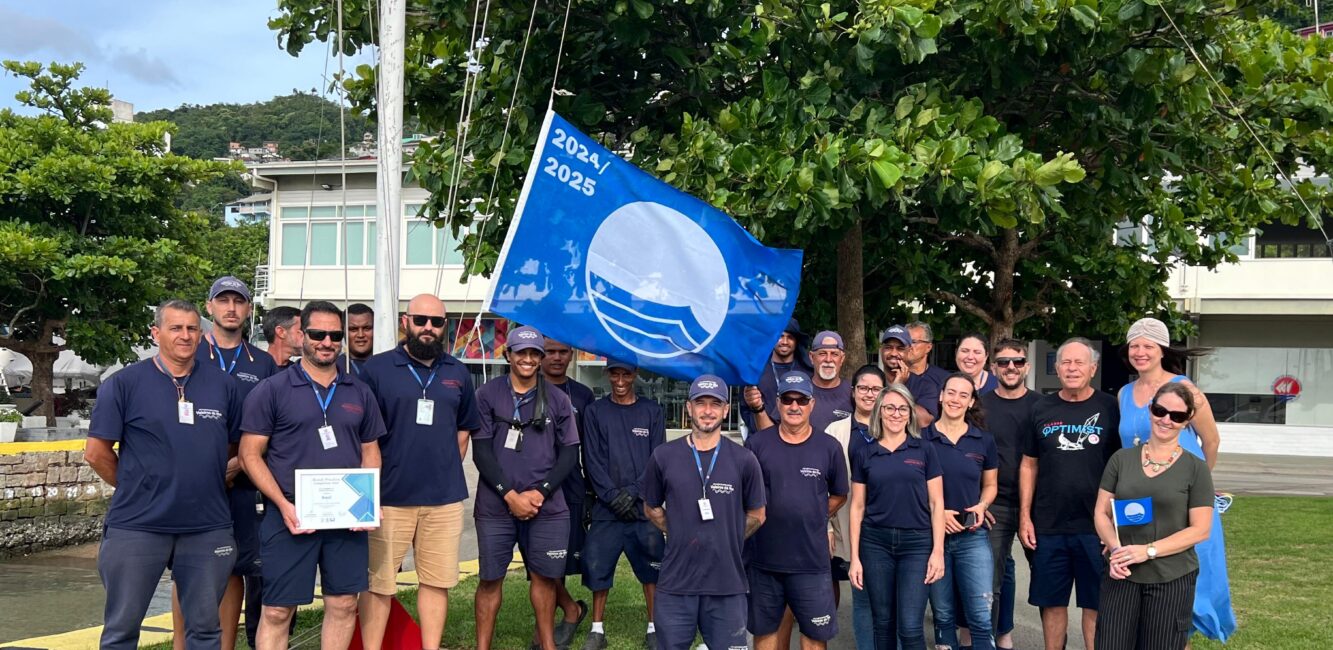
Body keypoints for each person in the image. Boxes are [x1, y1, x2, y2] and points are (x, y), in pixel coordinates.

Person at [87, 299, 243, 650]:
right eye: (175, 328)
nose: (185, 336)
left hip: (207, 526)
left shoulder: (224, 386)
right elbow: (96, 454)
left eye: (192, 328)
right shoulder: (124, 384)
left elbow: (232, 447)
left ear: (201, 336)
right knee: (121, 631)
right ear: (156, 333)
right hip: (137, 525)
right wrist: (138, 487)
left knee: (205, 632)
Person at [239, 301, 386, 650]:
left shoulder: (359, 391)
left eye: (335, 335)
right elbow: (249, 454)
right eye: (318, 334)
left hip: (346, 518)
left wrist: (368, 500)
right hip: (290, 515)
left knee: (345, 603)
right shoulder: (272, 390)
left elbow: (371, 451)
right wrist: (281, 504)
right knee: (276, 610)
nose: (327, 342)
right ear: (301, 335)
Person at [357, 295, 481, 650]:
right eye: (421, 319)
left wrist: (441, 467)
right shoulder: (376, 370)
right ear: (405, 321)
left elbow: (463, 430)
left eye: (437, 322)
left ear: (445, 327)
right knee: (379, 584)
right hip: (389, 498)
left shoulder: (458, 372)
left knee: (436, 582)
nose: (429, 327)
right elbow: (364, 435)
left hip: (443, 500)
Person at [172, 277, 278, 650]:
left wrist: (236, 465)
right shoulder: (188, 352)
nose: (231, 308)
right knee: (186, 570)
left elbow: (271, 425)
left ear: (249, 310)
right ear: (210, 307)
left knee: (233, 566)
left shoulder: (263, 362)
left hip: (241, 481)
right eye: (224, 301)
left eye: (239, 301)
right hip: (191, 483)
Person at [1116, 317, 1234, 642]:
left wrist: (1197, 486)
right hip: (1140, 505)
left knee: (1185, 599)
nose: (1140, 351)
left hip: (1182, 505)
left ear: (1162, 349)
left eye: (1148, 345)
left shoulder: (1186, 389)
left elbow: (1211, 441)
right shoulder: (1124, 394)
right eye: (1134, 345)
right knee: (1145, 591)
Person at [471, 326, 582, 650]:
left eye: (535, 354)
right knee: (490, 578)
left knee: (545, 578)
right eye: (522, 352)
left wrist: (541, 492)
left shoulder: (558, 400)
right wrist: (509, 494)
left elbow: (569, 453)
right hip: (496, 505)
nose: (528, 359)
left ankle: (547, 645)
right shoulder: (487, 395)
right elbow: (481, 451)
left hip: (545, 506)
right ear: (508, 355)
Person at [642, 375, 767, 650]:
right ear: (689, 408)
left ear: (726, 410)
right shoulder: (663, 456)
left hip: (727, 585)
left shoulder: (744, 459)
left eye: (715, 404)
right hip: (676, 585)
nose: (707, 411)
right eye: (701, 403)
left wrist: (730, 536)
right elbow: (651, 508)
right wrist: (677, 530)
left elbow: (758, 514)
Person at [1094, 382, 1215, 650]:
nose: (1166, 420)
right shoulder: (1121, 460)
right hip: (1121, 574)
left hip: (1171, 577)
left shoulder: (1196, 469)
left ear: (1187, 421)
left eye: (1177, 416)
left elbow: (1200, 529)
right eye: (1160, 411)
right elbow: (1102, 513)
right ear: (1150, 410)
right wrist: (1116, 550)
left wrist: (1147, 551)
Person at [1019, 337, 1121, 650]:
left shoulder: (1109, 407)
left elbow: (1120, 466)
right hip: (1050, 524)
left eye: (1079, 362)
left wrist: (1114, 523)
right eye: (1066, 362)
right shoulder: (1041, 407)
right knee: (1051, 603)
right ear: (1056, 367)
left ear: (1093, 368)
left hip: (1096, 526)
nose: (1072, 368)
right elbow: (1028, 465)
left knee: (1095, 603)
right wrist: (1025, 515)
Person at [746, 371, 848, 650]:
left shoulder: (829, 447)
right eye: (788, 399)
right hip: (764, 560)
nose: (794, 406)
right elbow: (745, 496)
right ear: (777, 403)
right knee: (765, 632)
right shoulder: (757, 444)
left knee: (815, 636)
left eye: (801, 400)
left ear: (812, 404)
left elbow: (840, 494)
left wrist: (815, 513)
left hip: (811, 562)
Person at [848, 384, 946, 650]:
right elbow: (857, 507)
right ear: (880, 412)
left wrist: (938, 551)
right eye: (889, 407)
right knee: (883, 622)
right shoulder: (864, 452)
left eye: (902, 408)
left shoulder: (924, 450)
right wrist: (855, 558)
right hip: (875, 544)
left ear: (910, 414)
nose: (895, 413)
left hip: (916, 545)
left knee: (911, 626)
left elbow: (937, 503)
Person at [579, 360, 667, 650]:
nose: (620, 380)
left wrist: (633, 493)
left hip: (643, 508)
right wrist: (613, 497)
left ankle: (654, 626)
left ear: (635, 374)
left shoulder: (652, 412)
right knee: (597, 566)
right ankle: (597, 629)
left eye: (625, 374)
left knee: (652, 569)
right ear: (607, 374)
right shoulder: (594, 412)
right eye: (614, 373)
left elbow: (657, 459)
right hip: (607, 509)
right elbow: (591, 460)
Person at [924, 374, 998, 650]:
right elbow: (913, 485)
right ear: (941, 396)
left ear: (971, 402)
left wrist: (983, 504)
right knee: (943, 616)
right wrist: (939, 512)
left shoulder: (983, 440)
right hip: (934, 538)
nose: (956, 399)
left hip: (972, 537)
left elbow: (990, 485)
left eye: (963, 395)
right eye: (951, 393)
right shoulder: (921, 439)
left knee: (980, 614)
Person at [978, 340, 1040, 650]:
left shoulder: (1042, 406)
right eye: (1003, 362)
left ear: (1027, 366)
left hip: (1039, 506)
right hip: (995, 505)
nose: (1011, 367)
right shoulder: (979, 405)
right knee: (990, 584)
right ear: (993, 368)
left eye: (1017, 361)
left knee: (1047, 584)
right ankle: (990, 641)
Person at [539, 337, 595, 649]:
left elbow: (589, 447)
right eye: (550, 352)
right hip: (532, 486)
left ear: (571, 354)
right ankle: (567, 610)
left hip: (570, 486)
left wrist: (590, 490)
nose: (557, 358)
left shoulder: (583, 395)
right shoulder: (525, 387)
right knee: (538, 558)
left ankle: (564, 612)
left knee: (557, 559)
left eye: (563, 352)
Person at [825, 365, 886, 650]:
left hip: (888, 525)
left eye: (876, 389)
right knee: (862, 597)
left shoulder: (896, 426)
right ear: (853, 392)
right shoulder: (835, 431)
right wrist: (826, 526)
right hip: (850, 525)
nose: (869, 394)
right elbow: (821, 486)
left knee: (887, 598)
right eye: (863, 388)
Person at [743, 318, 813, 437]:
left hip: (798, 440)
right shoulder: (755, 370)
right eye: (780, 336)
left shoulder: (807, 372)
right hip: (761, 438)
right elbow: (745, 408)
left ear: (796, 341)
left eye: (790, 337)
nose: (784, 341)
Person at [878, 324, 938, 427]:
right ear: (881, 350)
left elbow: (924, 422)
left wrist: (898, 388)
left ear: (909, 351)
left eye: (900, 348)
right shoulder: (873, 380)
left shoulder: (925, 386)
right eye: (888, 347)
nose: (893, 353)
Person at [341, 302, 374, 376]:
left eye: (367, 328)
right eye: (353, 329)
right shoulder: (334, 367)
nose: (361, 335)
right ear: (343, 331)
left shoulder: (387, 364)